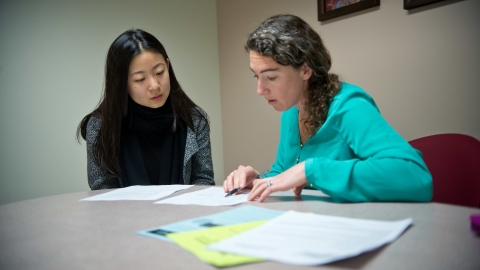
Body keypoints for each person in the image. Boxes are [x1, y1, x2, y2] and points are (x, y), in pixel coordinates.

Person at [223, 14, 432, 203]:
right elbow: (285, 172)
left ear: (305, 70)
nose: (260, 90)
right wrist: (259, 180)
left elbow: (416, 177)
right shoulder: (290, 112)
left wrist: (313, 169)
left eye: (270, 77)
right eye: (256, 76)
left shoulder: (349, 106)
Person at [77, 29, 214, 190]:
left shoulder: (194, 119)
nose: (155, 86)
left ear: (168, 66)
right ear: (122, 83)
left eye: (159, 72)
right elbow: (102, 190)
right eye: (140, 79)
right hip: (123, 215)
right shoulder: (101, 126)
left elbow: (203, 180)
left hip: (186, 214)